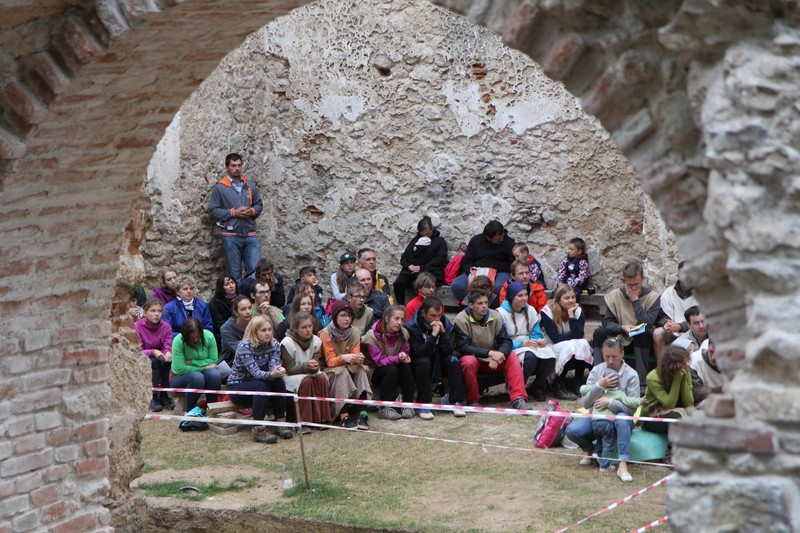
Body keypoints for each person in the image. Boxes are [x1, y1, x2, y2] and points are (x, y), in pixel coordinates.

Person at [564, 337, 639, 482]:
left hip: (620, 420)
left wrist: (610, 403)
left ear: (622, 354)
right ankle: (591, 452)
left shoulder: (631, 375)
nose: (610, 361)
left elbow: (631, 409)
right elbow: (586, 404)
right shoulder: (597, 370)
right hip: (598, 418)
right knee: (571, 431)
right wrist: (599, 386)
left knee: (623, 419)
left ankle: (623, 464)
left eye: (614, 357)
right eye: (607, 356)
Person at [592, 261, 661, 391]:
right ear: (624, 281)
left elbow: (647, 322)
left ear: (643, 280)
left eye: (637, 284)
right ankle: (599, 378)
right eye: (630, 285)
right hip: (619, 337)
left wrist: (635, 300)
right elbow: (607, 322)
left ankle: (641, 383)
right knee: (599, 333)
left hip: (641, 340)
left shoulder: (653, 297)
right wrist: (621, 328)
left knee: (644, 333)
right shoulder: (614, 296)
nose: (634, 288)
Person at [454, 290, 528, 409]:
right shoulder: (461, 319)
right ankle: (473, 400)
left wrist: (499, 354)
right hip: (473, 357)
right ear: (471, 305)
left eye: (486, 303)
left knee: (512, 356)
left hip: (492, 357)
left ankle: (519, 398)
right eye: (480, 303)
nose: (484, 306)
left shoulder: (495, 315)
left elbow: (506, 341)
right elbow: (463, 346)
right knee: (468, 362)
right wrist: (489, 353)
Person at [228, 316, 294, 443]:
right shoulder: (244, 347)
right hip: (238, 386)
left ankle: (280, 423)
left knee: (279, 381)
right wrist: (271, 374)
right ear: (255, 332)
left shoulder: (274, 344)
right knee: (261, 386)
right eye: (263, 330)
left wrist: (278, 370)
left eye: (269, 329)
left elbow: (272, 367)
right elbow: (256, 373)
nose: (268, 333)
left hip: (260, 382)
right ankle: (258, 429)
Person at [406, 296, 467, 419]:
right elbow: (420, 353)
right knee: (424, 362)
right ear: (423, 313)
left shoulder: (445, 323)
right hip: (417, 364)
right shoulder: (412, 326)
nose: (437, 319)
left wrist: (443, 333)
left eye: (439, 315)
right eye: (433, 316)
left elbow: (449, 350)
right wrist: (433, 336)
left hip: (439, 361)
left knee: (453, 360)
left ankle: (457, 402)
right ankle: (423, 404)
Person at [208, 153, 263, 286]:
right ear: (227, 168)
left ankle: (253, 304)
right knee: (234, 276)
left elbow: (259, 205)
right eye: (233, 165)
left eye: (239, 165)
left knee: (255, 273)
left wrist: (251, 211)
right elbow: (213, 210)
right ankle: (238, 305)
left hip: (250, 235)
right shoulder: (220, 188)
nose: (237, 168)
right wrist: (233, 212)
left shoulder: (250, 185)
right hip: (231, 236)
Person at [497, 281, 556, 402]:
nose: (524, 298)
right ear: (512, 297)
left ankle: (538, 386)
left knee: (548, 353)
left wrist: (539, 341)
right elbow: (501, 340)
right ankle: (518, 388)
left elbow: (536, 331)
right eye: (520, 296)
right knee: (530, 356)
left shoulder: (531, 310)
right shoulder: (501, 313)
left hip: (529, 343)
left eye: (525, 295)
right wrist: (521, 344)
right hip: (512, 346)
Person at [320, 301, 372, 430]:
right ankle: (343, 415)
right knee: (341, 372)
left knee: (361, 369)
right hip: (331, 371)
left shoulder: (354, 332)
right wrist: (343, 358)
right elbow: (330, 361)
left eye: (349, 316)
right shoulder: (325, 334)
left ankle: (363, 413)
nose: (347, 319)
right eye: (343, 315)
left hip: (349, 366)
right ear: (336, 316)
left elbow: (355, 353)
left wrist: (357, 358)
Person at [361, 305, 416, 421]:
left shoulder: (403, 333)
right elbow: (380, 361)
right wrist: (398, 358)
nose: (399, 322)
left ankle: (408, 404)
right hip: (375, 372)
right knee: (392, 369)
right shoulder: (372, 336)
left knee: (404, 367)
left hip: (394, 367)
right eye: (396, 318)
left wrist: (406, 357)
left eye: (402, 319)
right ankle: (384, 407)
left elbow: (406, 351)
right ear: (387, 319)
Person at [280, 312, 332, 432]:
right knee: (306, 381)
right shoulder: (287, 343)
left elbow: (316, 361)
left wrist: (315, 366)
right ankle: (302, 422)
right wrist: (307, 367)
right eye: (304, 327)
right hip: (291, 376)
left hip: (308, 372)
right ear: (296, 329)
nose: (308, 330)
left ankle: (321, 419)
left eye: (310, 326)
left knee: (322, 377)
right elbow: (290, 368)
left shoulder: (316, 341)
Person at [540, 284, 594, 398]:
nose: (571, 301)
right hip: (549, 345)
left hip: (569, 345)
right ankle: (558, 383)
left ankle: (578, 379)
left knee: (583, 343)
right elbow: (556, 338)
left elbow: (579, 335)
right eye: (567, 298)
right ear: (558, 299)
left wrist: (571, 316)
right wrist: (573, 338)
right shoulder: (547, 311)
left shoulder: (577, 310)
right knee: (570, 345)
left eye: (573, 297)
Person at [591, 368, 641, 473]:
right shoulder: (619, 393)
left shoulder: (600, 391)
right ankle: (604, 466)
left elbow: (585, 389)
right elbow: (630, 402)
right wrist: (640, 401)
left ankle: (595, 453)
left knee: (601, 439)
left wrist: (598, 385)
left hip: (594, 422)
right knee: (608, 443)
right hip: (607, 423)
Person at [450, 220, 516, 302]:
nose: (501, 240)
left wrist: (492, 271)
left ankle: (492, 309)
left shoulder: (508, 242)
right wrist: (473, 273)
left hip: (499, 272)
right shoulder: (476, 240)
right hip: (476, 270)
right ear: (488, 238)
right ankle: (471, 306)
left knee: (498, 288)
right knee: (457, 285)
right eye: (498, 239)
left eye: (502, 236)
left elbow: (512, 264)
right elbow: (467, 260)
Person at [170, 317, 221, 413]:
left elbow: (214, 360)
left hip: (202, 372)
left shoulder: (209, 336)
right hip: (179, 377)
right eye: (192, 338)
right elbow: (180, 368)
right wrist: (204, 367)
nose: (196, 339)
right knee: (197, 377)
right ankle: (189, 411)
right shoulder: (178, 341)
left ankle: (211, 408)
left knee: (214, 375)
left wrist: (192, 362)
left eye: (198, 336)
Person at [393, 216, 448, 304]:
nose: (425, 237)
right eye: (423, 235)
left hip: (429, 272)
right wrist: (409, 266)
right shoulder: (415, 241)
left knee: (419, 284)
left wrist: (421, 268)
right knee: (399, 283)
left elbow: (439, 260)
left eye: (428, 234)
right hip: (411, 272)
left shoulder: (439, 242)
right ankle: (401, 306)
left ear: (432, 229)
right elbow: (404, 257)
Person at [642, 344, 695, 434]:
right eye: (683, 363)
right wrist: (677, 380)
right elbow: (669, 404)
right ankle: (672, 446)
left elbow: (689, 402)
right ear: (673, 365)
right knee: (677, 417)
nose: (687, 365)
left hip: (676, 409)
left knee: (696, 415)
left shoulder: (685, 372)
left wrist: (684, 379)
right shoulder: (652, 377)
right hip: (654, 415)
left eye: (687, 362)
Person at [134, 299, 175, 412]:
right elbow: (138, 350)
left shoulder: (166, 326)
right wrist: (153, 352)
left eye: (159, 311)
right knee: (154, 362)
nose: (157, 314)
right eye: (153, 311)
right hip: (144, 357)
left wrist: (167, 352)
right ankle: (153, 396)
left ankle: (164, 394)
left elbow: (167, 344)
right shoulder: (138, 326)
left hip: (160, 355)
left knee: (167, 362)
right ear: (145, 312)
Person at [652, 261, 698, 362]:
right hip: (671, 334)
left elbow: (701, 318)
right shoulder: (668, 293)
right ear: (678, 275)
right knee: (657, 333)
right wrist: (667, 324)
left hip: (692, 332)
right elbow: (662, 316)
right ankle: (662, 370)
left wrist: (680, 326)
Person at [219, 296, 253, 367]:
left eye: (250, 308)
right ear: (235, 312)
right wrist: (248, 328)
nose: (248, 312)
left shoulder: (256, 323)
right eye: (243, 309)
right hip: (229, 364)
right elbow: (241, 351)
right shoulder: (226, 329)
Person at [208, 274, 238, 350]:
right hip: (224, 333)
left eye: (232, 282)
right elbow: (220, 324)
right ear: (221, 287)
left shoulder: (240, 298)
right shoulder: (214, 303)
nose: (231, 286)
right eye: (227, 284)